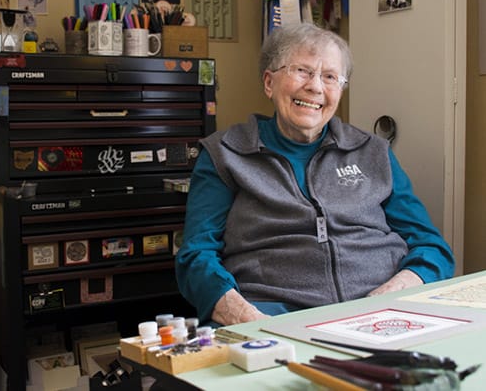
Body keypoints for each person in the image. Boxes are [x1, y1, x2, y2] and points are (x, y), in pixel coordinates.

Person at [175, 22, 455, 326]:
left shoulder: (374, 152)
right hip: (270, 314)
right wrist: (247, 319)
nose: (316, 87)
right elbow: (196, 256)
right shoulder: (226, 154)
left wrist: (390, 296)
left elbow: (431, 247)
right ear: (269, 83)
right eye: (302, 71)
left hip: (379, 310)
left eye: (330, 77)